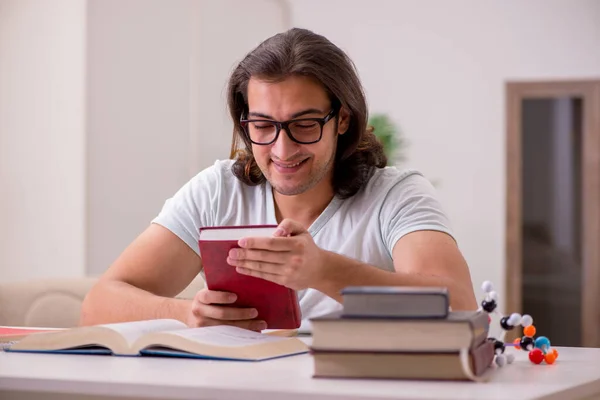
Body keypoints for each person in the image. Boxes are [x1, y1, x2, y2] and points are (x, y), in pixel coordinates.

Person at [80, 28, 477, 332]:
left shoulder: (395, 194)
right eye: (263, 125)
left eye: (304, 125)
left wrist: (323, 270)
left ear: (342, 119)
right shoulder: (217, 191)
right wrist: (188, 313)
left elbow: (459, 304)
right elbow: (98, 305)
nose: (283, 150)